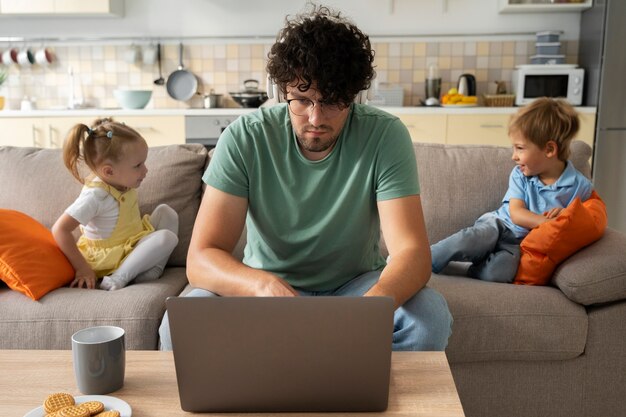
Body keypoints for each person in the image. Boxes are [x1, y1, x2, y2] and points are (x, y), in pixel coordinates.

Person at [159, 5, 452, 351]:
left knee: (430, 317)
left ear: (354, 96)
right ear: (281, 91)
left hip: (355, 287)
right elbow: (202, 257)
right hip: (265, 290)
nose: (315, 118)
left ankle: (357, 396)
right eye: (301, 100)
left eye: (331, 102)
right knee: (182, 322)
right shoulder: (245, 138)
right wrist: (262, 286)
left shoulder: (385, 136)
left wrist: (375, 305)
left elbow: (412, 253)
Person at [430, 97, 594, 283]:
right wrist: (550, 223)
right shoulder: (520, 175)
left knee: (499, 273)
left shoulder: (581, 187)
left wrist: (566, 214)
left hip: (518, 244)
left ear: (549, 149)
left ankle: (466, 268)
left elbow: (585, 222)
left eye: (520, 148)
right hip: (499, 225)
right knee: (471, 240)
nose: (513, 156)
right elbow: (516, 214)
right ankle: (422, 260)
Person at [52, 118, 179, 291]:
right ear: (109, 171)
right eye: (138, 165)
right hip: (109, 259)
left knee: (167, 213)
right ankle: (117, 279)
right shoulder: (96, 196)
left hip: (130, 243)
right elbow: (60, 229)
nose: (146, 170)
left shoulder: (122, 182)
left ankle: (152, 270)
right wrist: (82, 268)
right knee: (167, 237)